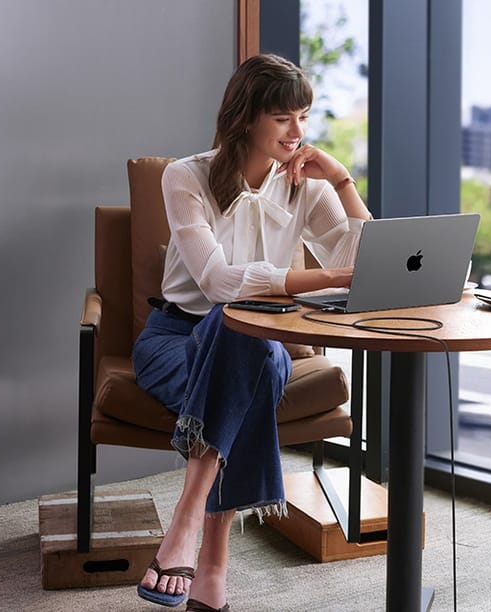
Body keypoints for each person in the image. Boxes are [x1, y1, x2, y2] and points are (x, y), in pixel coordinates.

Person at [133, 53, 371, 611]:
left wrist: (340, 179)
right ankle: (213, 569)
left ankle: (187, 520)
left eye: (305, 117)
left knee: (247, 338)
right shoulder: (184, 176)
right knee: (235, 329)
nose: (298, 132)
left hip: (266, 342)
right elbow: (217, 283)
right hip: (175, 340)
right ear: (246, 117)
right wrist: (331, 276)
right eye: (284, 118)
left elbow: (361, 256)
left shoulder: (307, 186)